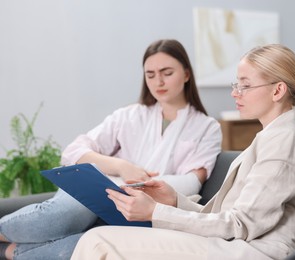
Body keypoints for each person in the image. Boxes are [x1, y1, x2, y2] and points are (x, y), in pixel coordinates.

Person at [70, 43, 295, 260]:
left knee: (99, 241)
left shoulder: (284, 142)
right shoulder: (272, 136)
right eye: (236, 84)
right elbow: (229, 218)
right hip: (238, 245)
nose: (235, 93)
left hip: (253, 252)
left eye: (245, 86)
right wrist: (174, 200)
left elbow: (239, 225)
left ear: (277, 90)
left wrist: (155, 212)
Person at [0, 39, 222, 260]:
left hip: (142, 210)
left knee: (89, 242)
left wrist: (136, 187)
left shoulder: (207, 127)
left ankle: (10, 251)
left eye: (167, 73)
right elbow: (74, 151)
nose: (158, 81)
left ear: (186, 74)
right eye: (150, 74)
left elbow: (193, 181)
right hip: (99, 190)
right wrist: (122, 167)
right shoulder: (128, 116)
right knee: (68, 214)